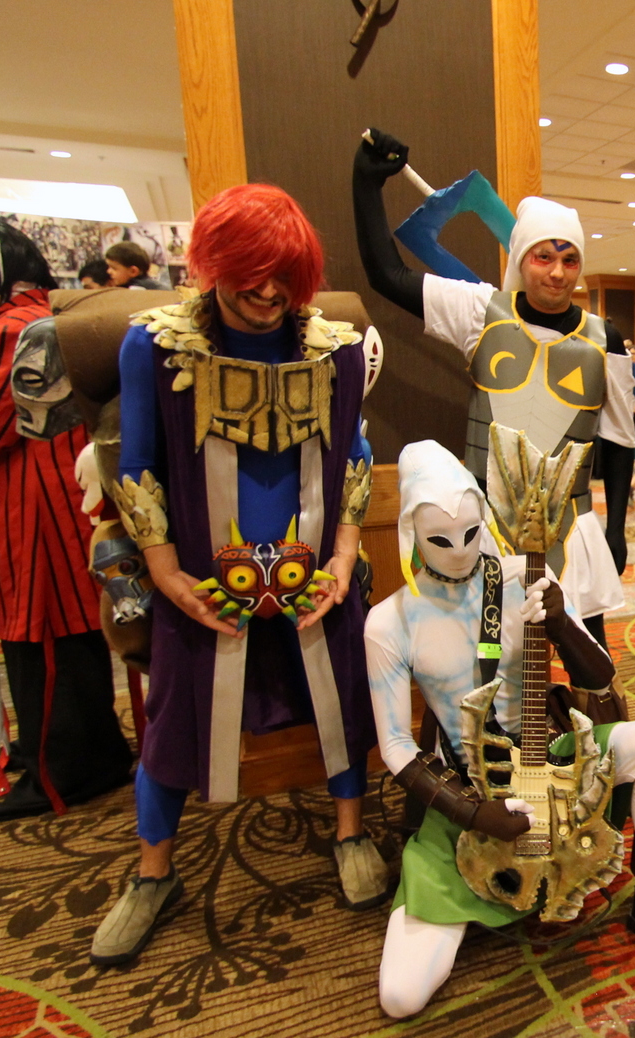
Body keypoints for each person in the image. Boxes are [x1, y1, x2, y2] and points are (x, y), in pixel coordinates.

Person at [89, 184, 383, 965]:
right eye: (249, 271)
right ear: (213, 264)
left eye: (284, 274)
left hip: (316, 577)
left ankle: (351, 833)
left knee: (342, 705)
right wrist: (164, 573)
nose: (267, 291)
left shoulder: (336, 349)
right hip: (200, 581)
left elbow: (355, 458)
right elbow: (136, 465)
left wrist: (344, 557)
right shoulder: (154, 347)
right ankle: (153, 874)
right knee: (172, 726)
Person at [366, 440, 635, 1018]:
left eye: (471, 532)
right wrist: (474, 814)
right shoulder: (389, 622)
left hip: (555, 761)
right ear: (411, 530)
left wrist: (561, 623)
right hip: (472, 792)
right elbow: (394, 745)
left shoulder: (521, 576)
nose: (461, 552)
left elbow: (602, 677)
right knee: (401, 997)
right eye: (440, 539)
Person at [352, 129, 632, 648]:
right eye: (544, 257)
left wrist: (616, 526)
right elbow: (386, 274)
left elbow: (617, 440)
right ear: (521, 257)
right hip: (488, 527)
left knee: (587, 657)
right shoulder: (480, 311)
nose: (558, 273)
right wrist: (366, 183)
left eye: (570, 259)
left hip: (573, 527)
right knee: (494, 657)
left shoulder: (604, 338)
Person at [0, 219, 133, 822]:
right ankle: (82, 756)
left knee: (46, 636)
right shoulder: (53, 315)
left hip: (36, 506)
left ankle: (64, 771)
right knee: (69, 635)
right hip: (54, 495)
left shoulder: (15, 329)